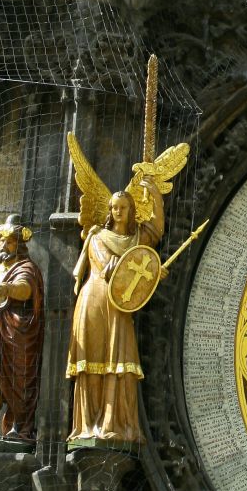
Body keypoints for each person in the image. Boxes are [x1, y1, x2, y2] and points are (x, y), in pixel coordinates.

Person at [68, 180, 162, 445]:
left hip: (120, 307)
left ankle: (115, 424)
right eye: (115, 207)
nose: (119, 212)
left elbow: (155, 232)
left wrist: (154, 194)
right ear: (109, 211)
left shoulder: (135, 239)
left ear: (132, 212)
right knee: (94, 362)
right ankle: (89, 426)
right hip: (96, 301)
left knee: (119, 363)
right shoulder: (97, 238)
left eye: (124, 207)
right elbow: (112, 270)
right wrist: (150, 271)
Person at [0, 215, 44, 441]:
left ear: (19, 244)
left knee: (19, 379)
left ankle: (20, 427)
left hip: (19, 335)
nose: (3, 246)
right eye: (1, 242)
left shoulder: (26, 267)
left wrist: (8, 288)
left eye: (8, 242)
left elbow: (25, 290)